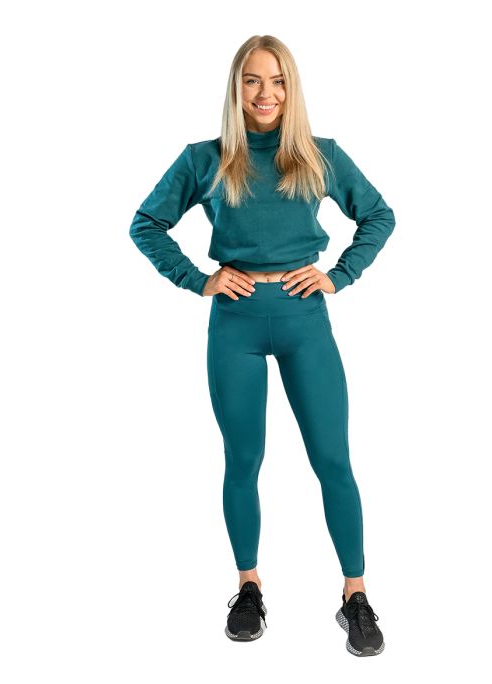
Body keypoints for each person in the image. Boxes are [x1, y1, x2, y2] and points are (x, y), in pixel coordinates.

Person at [129, 35, 396, 657]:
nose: (265, 93)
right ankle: (248, 587)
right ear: (236, 87)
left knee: (332, 458)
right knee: (243, 458)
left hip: (305, 318)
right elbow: (146, 224)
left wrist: (340, 274)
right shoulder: (206, 158)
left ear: (291, 88)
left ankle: (355, 595)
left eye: (277, 81)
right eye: (252, 80)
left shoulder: (320, 155)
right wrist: (198, 279)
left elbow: (379, 215)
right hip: (235, 323)